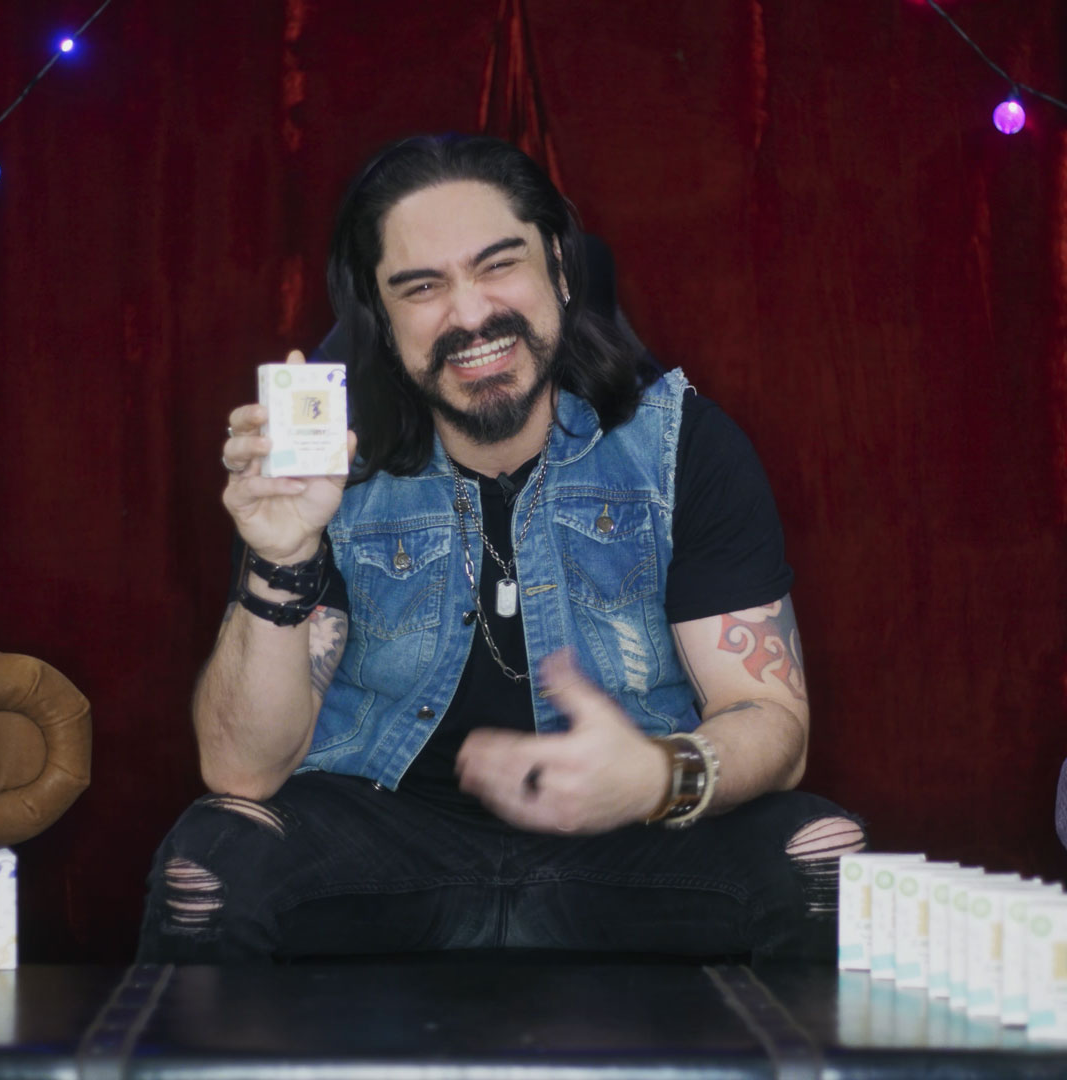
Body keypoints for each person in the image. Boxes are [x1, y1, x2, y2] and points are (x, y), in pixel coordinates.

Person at [137, 133, 865, 964]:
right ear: (381, 317)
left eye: (498, 265)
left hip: (628, 835)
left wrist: (658, 777)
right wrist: (281, 554)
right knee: (210, 865)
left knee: (820, 853)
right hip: (383, 840)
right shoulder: (334, 468)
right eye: (422, 287)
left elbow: (771, 721)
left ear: (559, 266)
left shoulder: (681, 448)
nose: (471, 314)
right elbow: (241, 771)